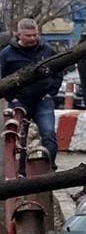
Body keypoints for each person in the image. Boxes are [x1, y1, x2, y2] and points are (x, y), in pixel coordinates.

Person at [0, 19, 62, 160]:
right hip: (19, 101)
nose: (33, 38)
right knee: (17, 137)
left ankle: (49, 166)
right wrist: (12, 98)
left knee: (48, 135)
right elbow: (2, 79)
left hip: (43, 99)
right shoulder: (7, 54)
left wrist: (51, 92)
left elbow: (59, 70)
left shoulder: (47, 50)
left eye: (35, 35)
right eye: (28, 36)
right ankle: (18, 171)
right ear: (18, 35)